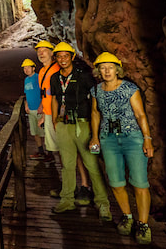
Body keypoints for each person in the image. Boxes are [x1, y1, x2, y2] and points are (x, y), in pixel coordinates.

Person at [89, 52, 155, 244]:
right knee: (116, 182)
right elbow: (95, 113)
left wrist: (147, 139)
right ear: (98, 70)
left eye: (110, 67)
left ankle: (143, 224)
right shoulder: (96, 90)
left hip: (132, 138)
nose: (107, 71)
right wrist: (95, 136)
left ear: (117, 69)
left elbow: (140, 114)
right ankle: (127, 216)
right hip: (108, 139)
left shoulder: (129, 88)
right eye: (102, 68)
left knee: (140, 183)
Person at [49, 42, 111, 221]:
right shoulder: (55, 78)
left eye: (65, 56)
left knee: (91, 164)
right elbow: (54, 99)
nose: (62, 59)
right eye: (59, 56)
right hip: (63, 125)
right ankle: (67, 199)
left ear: (72, 57)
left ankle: (102, 203)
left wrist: (94, 129)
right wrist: (54, 120)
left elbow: (94, 100)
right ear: (56, 58)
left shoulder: (84, 76)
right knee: (67, 166)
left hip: (82, 125)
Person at [35, 40, 93, 203]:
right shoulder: (42, 72)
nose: (41, 53)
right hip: (50, 116)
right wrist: (44, 115)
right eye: (38, 50)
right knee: (60, 152)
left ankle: (84, 185)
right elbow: (48, 95)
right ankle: (69, 185)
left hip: (66, 117)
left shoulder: (58, 69)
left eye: (44, 50)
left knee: (76, 152)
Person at [21, 58, 46, 159]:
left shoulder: (38, 77)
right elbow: (26, 94)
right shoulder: (26, 80)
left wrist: (42, 106)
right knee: (35, 132)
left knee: (45, 132)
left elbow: (44, 92)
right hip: (31, 110)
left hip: (40, 110)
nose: (26, 70)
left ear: (33, 68)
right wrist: (26, 105)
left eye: (28, 67)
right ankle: (41, 151)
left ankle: (50, 153)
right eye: (24, 68)